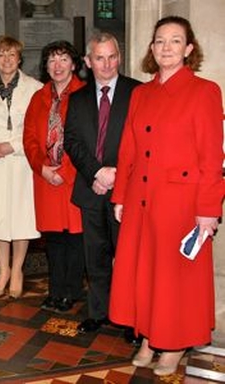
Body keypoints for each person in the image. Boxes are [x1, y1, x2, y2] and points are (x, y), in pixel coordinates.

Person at [109, 16, 223, 376]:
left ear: (189, 49)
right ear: (152, 49)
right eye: (159, 41)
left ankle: (173, 344)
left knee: (175, 278)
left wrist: (208, 210)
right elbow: (128, 149)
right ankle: (148, 337)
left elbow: (212, 156)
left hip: (181, 204)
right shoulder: (141, 93)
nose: (166, 47)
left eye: (175, 41)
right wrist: (120, 197)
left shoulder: (205, 91)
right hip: (142, 199)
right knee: (146, 273)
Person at [63, 33, 140, 335]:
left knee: (127, 256)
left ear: (119, 57)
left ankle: (131, 320)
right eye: (99, 57)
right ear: (87, 61)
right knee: (94, 256)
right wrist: (97, 173)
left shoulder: (138, 92)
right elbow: (72, 141)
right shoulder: (78, 98)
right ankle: (99, 312)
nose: (106, 64)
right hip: (91, 188)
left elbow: (142, 140)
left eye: (112, 57)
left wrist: (116, 174)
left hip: (128, 190)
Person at [0, 35, 42, 299]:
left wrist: (12, 145)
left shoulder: (35, 88)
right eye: (2, 54)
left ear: (19, 58)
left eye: (11, 55)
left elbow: (35, 129)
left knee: (21, 217)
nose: (6, 59)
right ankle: (2, 270)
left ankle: (17, 270)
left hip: (20, 160)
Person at [23, 40, 85, 312]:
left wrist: (67, 173)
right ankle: (55, 290)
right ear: (45, 66)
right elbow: (29, 139)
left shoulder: (84, 95)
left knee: (75, 239)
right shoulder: (39, 97)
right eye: (51, 60)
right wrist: (43, 168)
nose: (57, 66)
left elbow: (88, 140)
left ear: (74, 64)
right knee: (54, 241)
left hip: (74, 178)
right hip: (46, 180)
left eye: (63, 59)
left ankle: (70, 292)